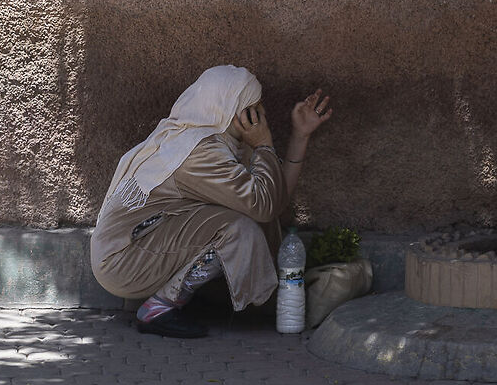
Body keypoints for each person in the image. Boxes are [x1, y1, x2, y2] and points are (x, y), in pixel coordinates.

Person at [89, 66, 332, 337]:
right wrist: (263, 144)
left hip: (139, 248)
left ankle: (183, 294)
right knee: (239, 228)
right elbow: (264, 206)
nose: (262, 115)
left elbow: (272, 200)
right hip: (124, 262)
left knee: (245, 217)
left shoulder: (209, 142)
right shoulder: (200, 154)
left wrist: (301, 135)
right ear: (231, 109)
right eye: (254, 107)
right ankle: (159, 308)